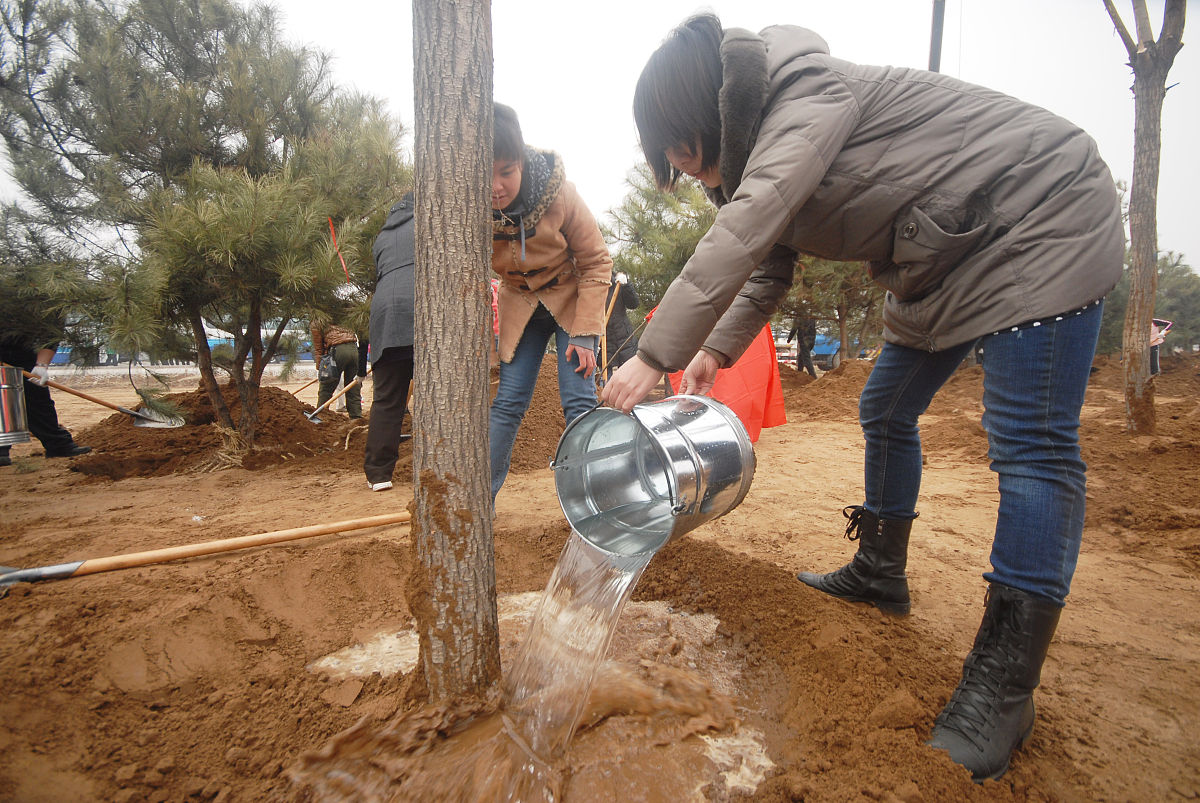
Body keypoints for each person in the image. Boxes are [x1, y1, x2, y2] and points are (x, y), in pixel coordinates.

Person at [602, 14, 1124, 783]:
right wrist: (711, 349)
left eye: (680, 146)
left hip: (1038, 213)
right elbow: (765, 266)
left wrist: (655, 353)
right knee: (885, 404)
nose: (682, 166)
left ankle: (1006, 683)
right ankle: (882, 569)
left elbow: (748, 225)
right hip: (945, 256)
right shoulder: (757, 146)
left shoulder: (805, 94)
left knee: (1031, 444)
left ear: (704, 107)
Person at [489, 103, 613, 499]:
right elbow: (469, 284)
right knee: (507, 403)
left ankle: (594, 504)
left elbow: (596, 262)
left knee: (578, 401)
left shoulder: (558, 192)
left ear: (521, 162)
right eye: (484, 174)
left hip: (568, 300)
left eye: (506, 171)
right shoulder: (464, 209)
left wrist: (585, 334)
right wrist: (485, 348)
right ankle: (478, 503)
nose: (496, 187)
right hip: (519, 306)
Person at [363, 193, 416, 492]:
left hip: (384, 315)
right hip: (419, 309)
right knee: (438, 393)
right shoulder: (429, 221)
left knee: (386, 400)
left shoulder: (381, 238)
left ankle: (378, 475)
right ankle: (439, 464)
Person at [1, 321, 91, 467]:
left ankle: (57, 444)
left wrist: (41, 365)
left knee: (37, 398)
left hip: (25, 350)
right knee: (2, 399)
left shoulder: (47, 305)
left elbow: (50, 337)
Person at [310, 319, 361, 419]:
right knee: (353, 386)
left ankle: (320, 416)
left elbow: (318, 348)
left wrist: (320, 368)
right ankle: (356, 417)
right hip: (354, 350)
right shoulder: (342, 311)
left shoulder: (317, 319)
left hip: (337, 350)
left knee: (327, 386)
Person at [603, 273, 640, 375]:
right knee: (604, 379)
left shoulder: (618, 282)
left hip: (624, 339)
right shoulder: (594, 285)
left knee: (629, 376)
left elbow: (633, 304)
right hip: (604, 340)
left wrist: (626, 285)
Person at [787, 313, 818, 378]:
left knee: (806, 359)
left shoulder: (798, 317)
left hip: (804, 340)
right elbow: (813, 329)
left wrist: (789, 339)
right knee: (801, 356)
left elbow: (794, 329)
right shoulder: (812, 317)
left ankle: (813, 376)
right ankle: (799, 372)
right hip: (811, 340)